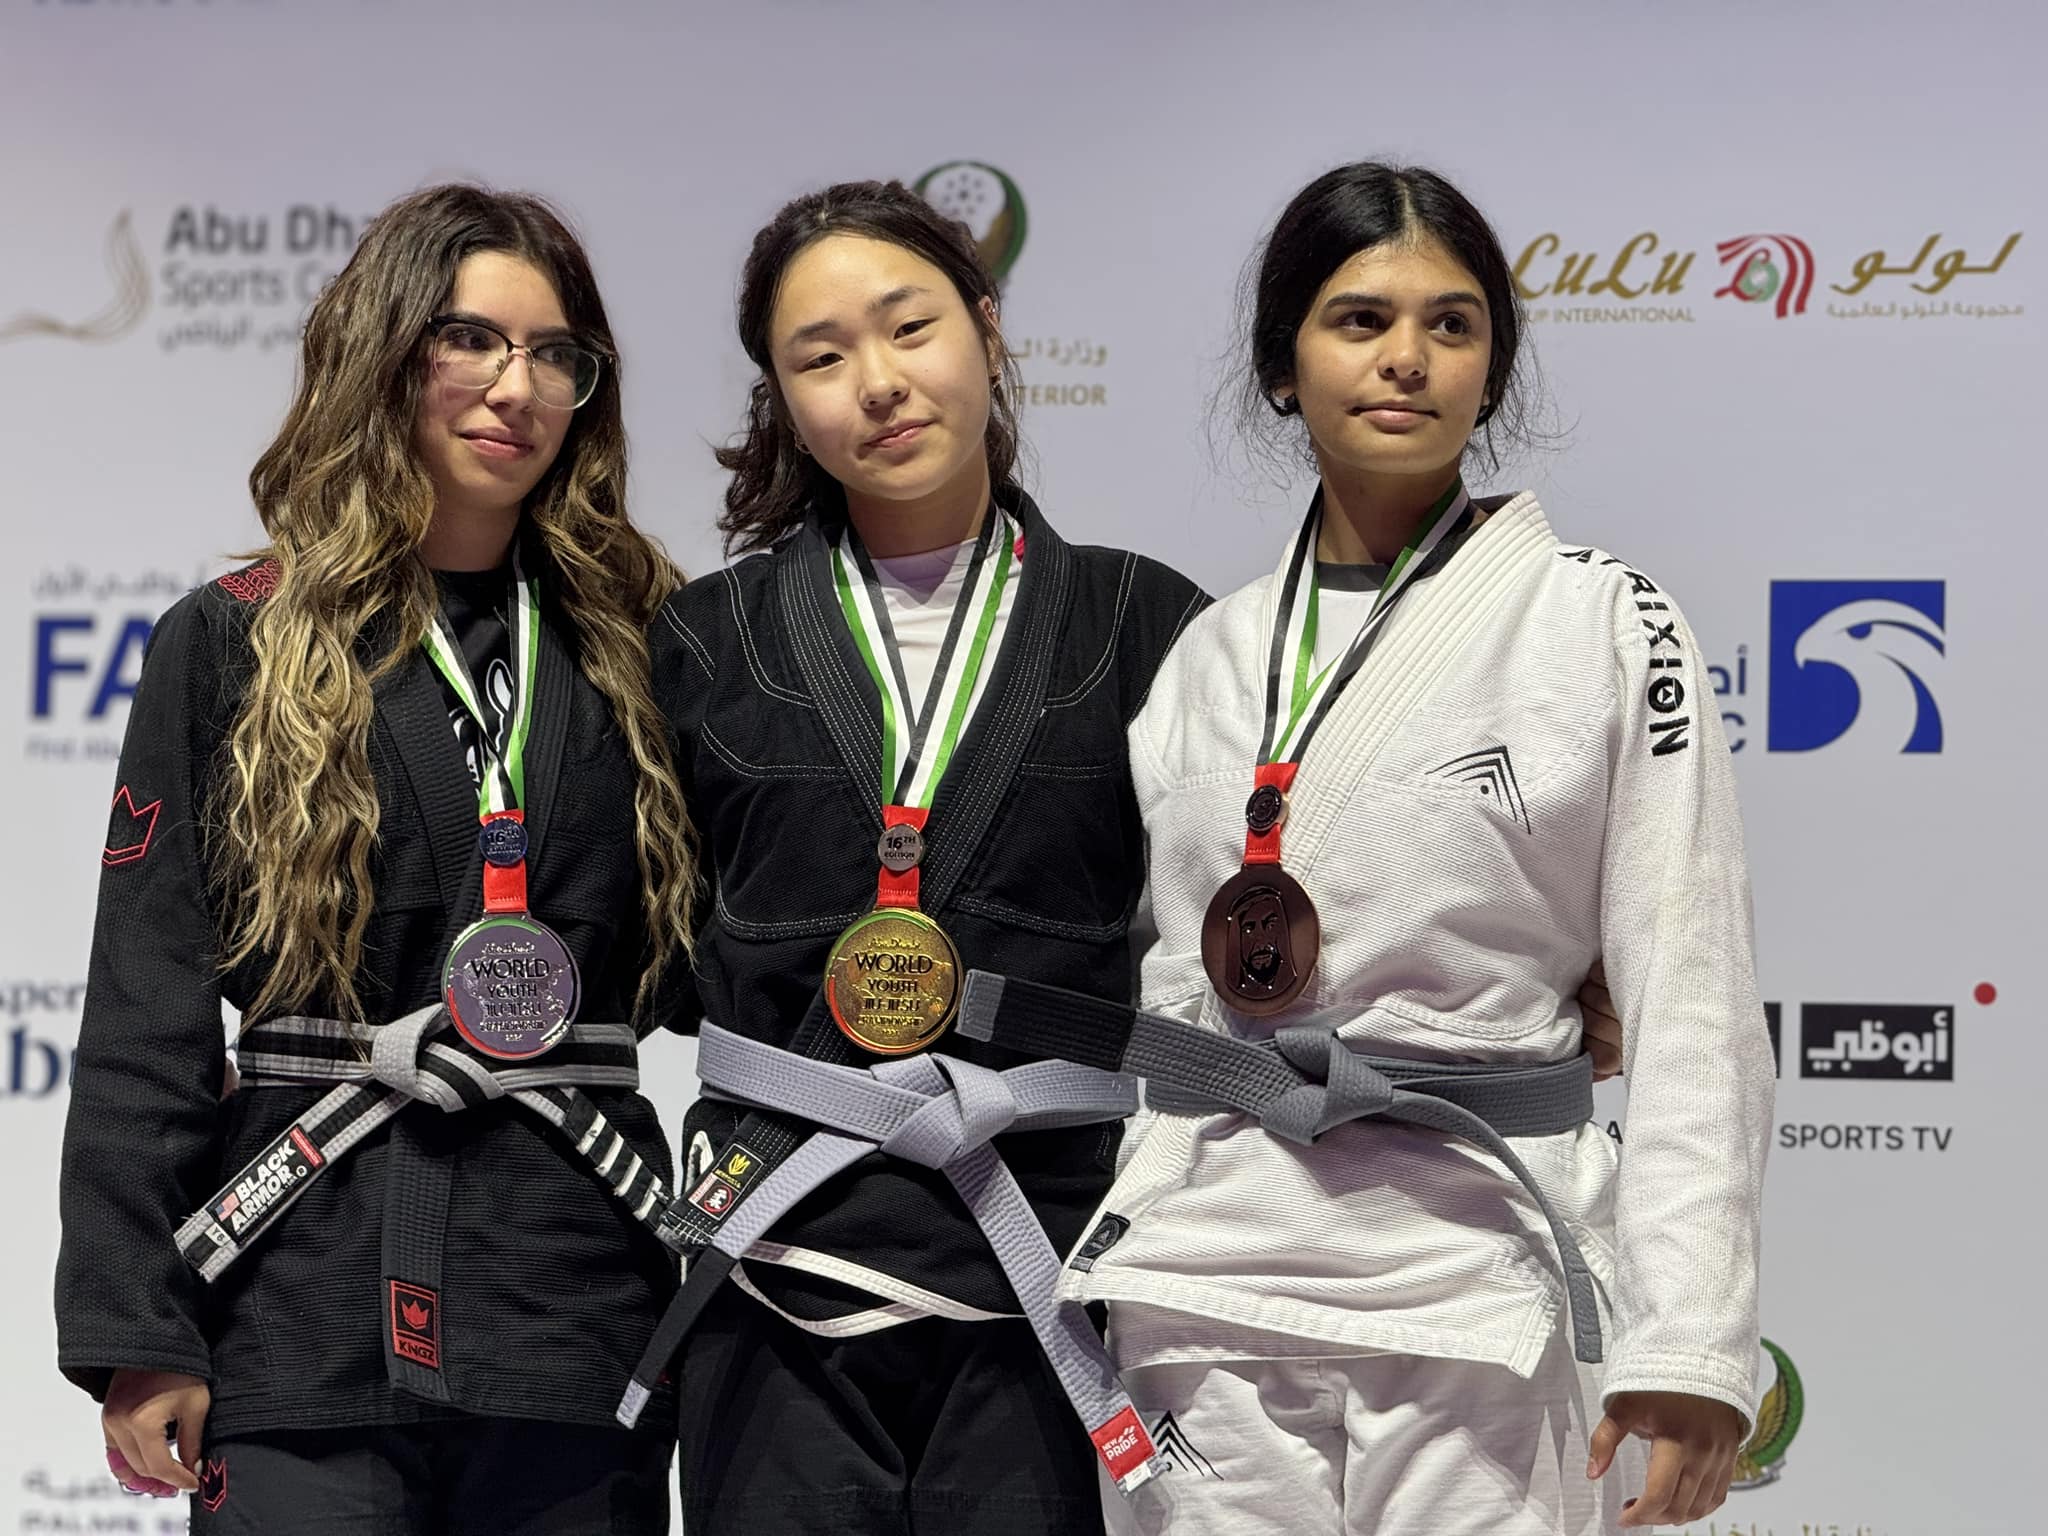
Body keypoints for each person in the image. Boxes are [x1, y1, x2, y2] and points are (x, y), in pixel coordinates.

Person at [990, 162, 1775, 1535]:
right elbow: (1161, 970)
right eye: (1360, 320)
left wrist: (1692, 1336)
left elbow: (1693, 990)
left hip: (1476, 1282)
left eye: (1451, 324)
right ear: (1281, 365)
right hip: (1206, 1276)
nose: (1407, 356)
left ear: (1492, 370)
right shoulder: (1212, 653)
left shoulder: (1605, 622)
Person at [56, 184, 697, 1535]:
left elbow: (713, 960)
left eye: (555, 355)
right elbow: (144, 1013)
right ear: (383, 352)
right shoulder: (232, 641)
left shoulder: (649, 645)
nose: (516, 388)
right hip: (305, 1300)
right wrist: (138, 1328)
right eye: (470, 340)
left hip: (570, 1301)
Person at [639, 179, 1210, 1536]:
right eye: (822, 357)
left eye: (911, 329)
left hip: (1048, 1265)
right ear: (783, 401)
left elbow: (1255, 912)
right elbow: (639, 951)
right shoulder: (707, 640)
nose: (879, 382)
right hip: (772, 1264)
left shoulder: (1146, 623)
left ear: (990, 333)